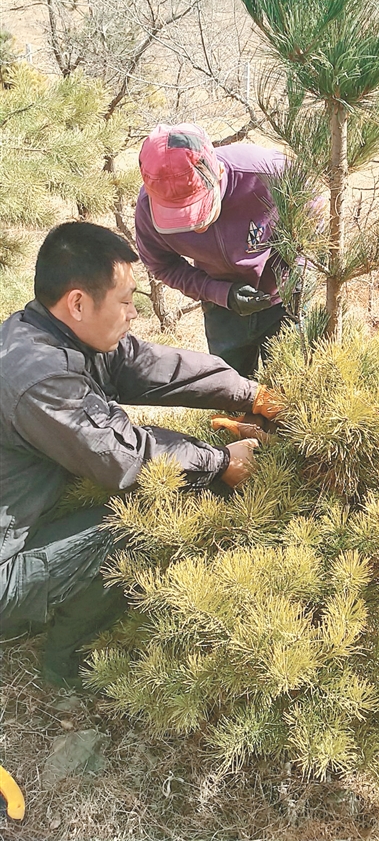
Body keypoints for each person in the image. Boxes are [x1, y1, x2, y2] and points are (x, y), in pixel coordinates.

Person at [0, 222, 281, 688]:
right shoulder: (40, 380)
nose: (135, 312)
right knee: (136, 522)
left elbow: (153, 367)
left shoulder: (49, 330)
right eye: (127, 300)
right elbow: (124, 457)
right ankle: (66, 662)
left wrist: (251, 394)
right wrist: (219, 462)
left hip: (24, 516)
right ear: (78, 302)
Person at [135, 122, 292, 376]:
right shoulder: (147, 209)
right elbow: (162, 264)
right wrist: (219, 293)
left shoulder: (268, 173)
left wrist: (289, 282)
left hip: (284, 303)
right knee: (232, 398)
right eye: (177, 218)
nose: (195, 228)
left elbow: (312, 224)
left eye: (198, 211)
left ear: (217, 171)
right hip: (222, 309)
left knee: (292, 394)